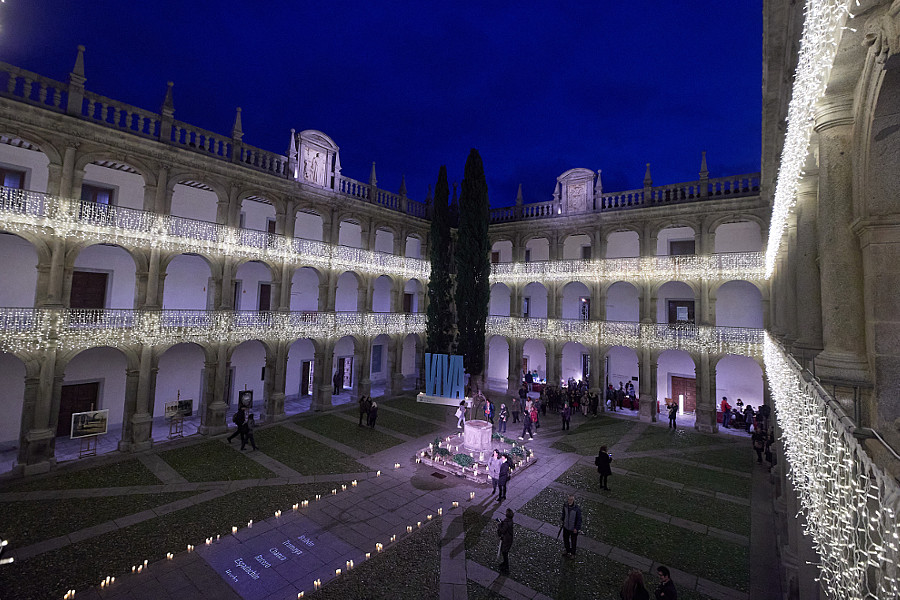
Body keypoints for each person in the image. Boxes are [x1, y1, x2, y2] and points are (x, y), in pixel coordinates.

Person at [497, 508, 514, 574]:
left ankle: (506, 567)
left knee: (504, 553)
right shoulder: (510, 521)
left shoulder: (506, 523)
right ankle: (504, 564)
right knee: (505, 552)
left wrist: (499, 525)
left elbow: (502, 531)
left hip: (506, 540)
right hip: (509, 539)